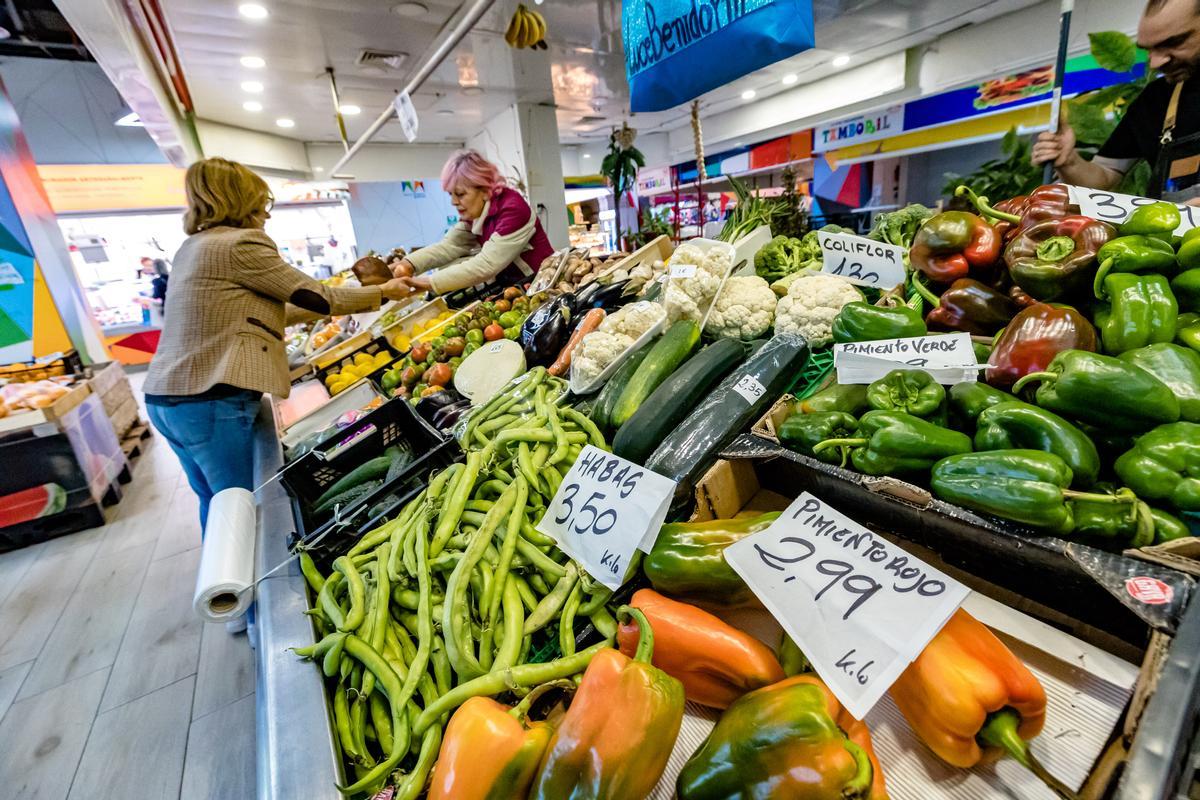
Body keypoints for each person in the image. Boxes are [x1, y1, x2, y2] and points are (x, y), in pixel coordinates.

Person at [144, 157, 414, 532]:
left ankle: (224, 586)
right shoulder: (242, 244)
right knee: (236, 510)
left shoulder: (195, 246)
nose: (266, 217)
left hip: (169, 400)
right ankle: (244, 591)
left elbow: (279, 311)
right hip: (209, 400)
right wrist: (381, 292)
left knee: (215, 502)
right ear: (238, 200)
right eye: (260, 205)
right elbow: (318, 298)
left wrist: (368, 294)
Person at [1032, 0, 1200, 200]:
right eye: (1149, 49)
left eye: (1173, 43)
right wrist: (1068, 162)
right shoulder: (1155, 100)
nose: (1155, 62)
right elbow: (1104, 177)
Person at [391, 150, 555, 293]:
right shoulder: (476, 212)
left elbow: (486, 264)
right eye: (451, 195)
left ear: (484, 190)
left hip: (543, 282)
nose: (453, 202)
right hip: (515, 287)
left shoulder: (513, 209)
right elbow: (450, 246)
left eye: (460, 194)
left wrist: (428, 283)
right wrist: (409, 264)